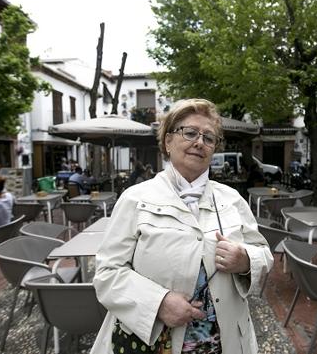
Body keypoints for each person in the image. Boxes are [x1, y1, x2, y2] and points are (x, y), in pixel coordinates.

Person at [91, 98, 273, 353]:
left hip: (224, 344)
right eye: (190, 133)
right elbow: (107, 273)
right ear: (168, 141)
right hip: (156, 343)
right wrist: (158, 303)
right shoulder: (135, 198)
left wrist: (245, 260)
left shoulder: (232, 199)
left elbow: (264, 254)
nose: (199, 142)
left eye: (209, 138)